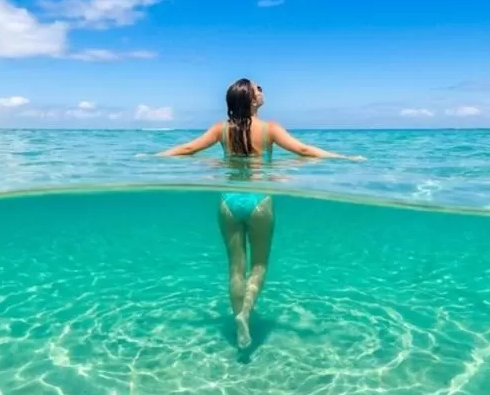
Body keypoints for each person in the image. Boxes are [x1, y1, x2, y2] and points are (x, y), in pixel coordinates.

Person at [155, 78, 361, 349]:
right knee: (259, 264)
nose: (262, 90)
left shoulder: (220, 129)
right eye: (258, 88)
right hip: (259, 201)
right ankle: (246, 313)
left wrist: (152, 156)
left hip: (228, 202)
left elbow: (188, 149)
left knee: (235, 268)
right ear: (251, 99)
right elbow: (303, 150)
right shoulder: (270, 128)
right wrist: (343, 158)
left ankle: (237, 317)